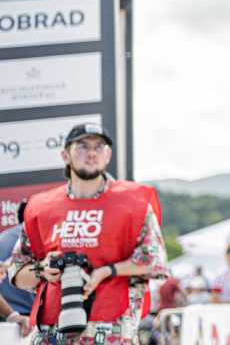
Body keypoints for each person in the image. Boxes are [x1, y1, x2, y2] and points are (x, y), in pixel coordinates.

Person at [6, 123, 169, 345]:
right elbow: (17, 273)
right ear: (65, 155)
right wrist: (43, 269)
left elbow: (155, 261)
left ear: (108, 155)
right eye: (82, 146)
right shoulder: (41, 207)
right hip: (52, 332)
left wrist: (106, 271)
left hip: (111, 331)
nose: (92, 153)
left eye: (99, 147)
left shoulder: (133, 203)